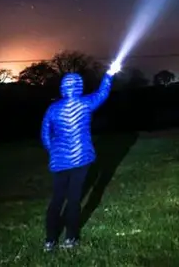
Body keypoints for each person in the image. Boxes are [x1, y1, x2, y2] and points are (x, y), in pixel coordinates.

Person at [40, 63, 121, 251]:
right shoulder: (86, 103)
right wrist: (109, 74)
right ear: (79, 87)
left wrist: (54, 151)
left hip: (59, 161)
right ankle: (70, 239)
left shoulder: (53, 109)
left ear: (62, 87)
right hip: (81, 158)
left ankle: (50, 240)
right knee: (74, 199)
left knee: (57, 199)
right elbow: (102, 94)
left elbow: (45, 134)